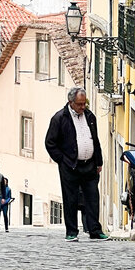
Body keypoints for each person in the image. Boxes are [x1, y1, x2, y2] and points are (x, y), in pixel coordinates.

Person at [45, 86, 109, 242]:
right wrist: (63, 160)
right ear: (71, 102)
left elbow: (96, 140)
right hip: (70, 166)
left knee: (93, 198)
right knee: (70, 198)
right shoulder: (59, 118)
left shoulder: (90, 116)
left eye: (84, 103)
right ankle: (71, 231)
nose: (83, 107)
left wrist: (98, 161)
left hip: (90, 165)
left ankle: (95, 230)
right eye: (79, 104)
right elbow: (50, 143)